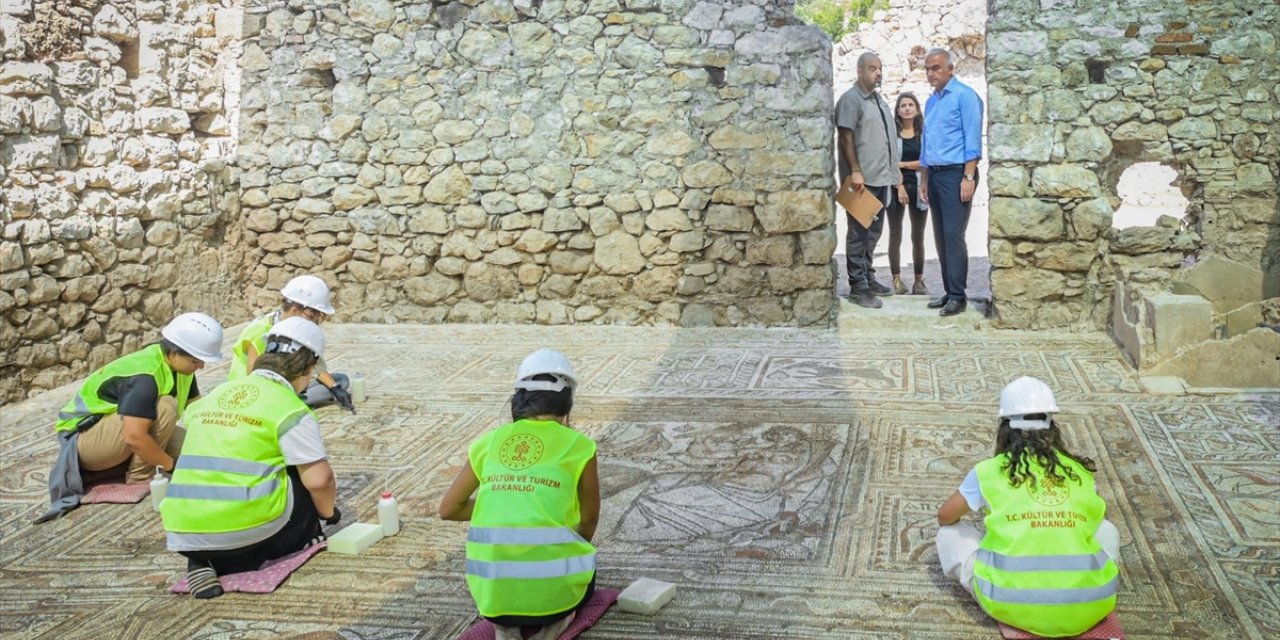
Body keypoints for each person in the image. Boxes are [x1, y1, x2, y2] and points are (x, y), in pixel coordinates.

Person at [161, 317, 340, 600]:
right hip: (244, 531)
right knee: (301, 474)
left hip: (182, 530)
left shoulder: (218, 393)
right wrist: (328, 514)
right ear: (307, 369)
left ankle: (201, 561)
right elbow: (320, 481)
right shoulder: (290, 407)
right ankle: (254, 552)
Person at [935, 377, 1119, 637]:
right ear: (1052, 427)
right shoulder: (1079, 472)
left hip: (1008, 601)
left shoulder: (988, 471)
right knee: (1106, 528)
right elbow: (1094, 520)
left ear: (1004, 428)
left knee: (950, 534)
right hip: (1092, 604)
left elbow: (945, 516)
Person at [438, 349, 600, 640]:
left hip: (493, 599)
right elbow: (588, 522)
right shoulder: (580, 446)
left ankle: (507, 629)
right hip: (554, 601)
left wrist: (500, 500)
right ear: (567, 403)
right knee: (587, 569)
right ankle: (552, 624)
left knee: (510, 606)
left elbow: (449, 509)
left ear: (519, 398)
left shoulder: (488, 441)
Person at [36, 312, 225, 523]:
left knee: (195, 447)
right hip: (82, 442)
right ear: (173, 354)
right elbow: (134, 437)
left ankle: (139, 463)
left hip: (114, 433)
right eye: (196, 361)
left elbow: (197, 410)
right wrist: (170, 466)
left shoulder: (181, 371)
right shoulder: (145, 376)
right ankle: (140, 476)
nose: (201, 367)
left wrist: (219, 436)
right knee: (166, 406)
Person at [919, 47, 983, 317]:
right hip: (934, 174)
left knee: (953, 235)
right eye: (927, 69)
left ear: (950, 68)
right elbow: (926, 142)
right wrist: (924, 177)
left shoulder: (965, 96)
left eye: (935, 68)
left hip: (957, 174)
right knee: (941, 236)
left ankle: (958, 295)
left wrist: (968, 176)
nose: (930, 74)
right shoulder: (932, 101)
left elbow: (973, 140)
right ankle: (948, 291)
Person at [229, 275, 354, 413]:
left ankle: (290, 399)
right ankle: (286, 403)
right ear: (294, 310)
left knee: (340, 381)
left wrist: (335, 388)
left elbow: (314, 365)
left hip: (284, 382)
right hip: (252, 391)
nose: (312, 323)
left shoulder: (295, 329)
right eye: (311, 317)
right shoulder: (260, 331)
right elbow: (253, 376)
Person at [835, 51, 901, 309]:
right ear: (860, 71)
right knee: (858, 234)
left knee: (873, 232)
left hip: (880, 177)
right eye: (872, 68)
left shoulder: (877, 99)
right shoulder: (851, 100)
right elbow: (846, 137)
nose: (878, 73)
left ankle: (868, 277)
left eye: (880, 68)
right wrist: (856, 171)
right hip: (861, 181)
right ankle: (858, 287)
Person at [888, 92, 929, 296]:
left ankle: (919, 281)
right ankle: (896, 278)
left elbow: (927, 161)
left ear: (917, 108)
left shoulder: (924, 133)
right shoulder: (892, 134)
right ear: (897, 110)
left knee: (918, 235)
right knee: (895, 234)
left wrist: (903, 164)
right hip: (897, 187)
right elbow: (888, 162)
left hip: (920, 187)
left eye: (910, 104)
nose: (907, 108)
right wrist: (900, 185)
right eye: (902, 105)